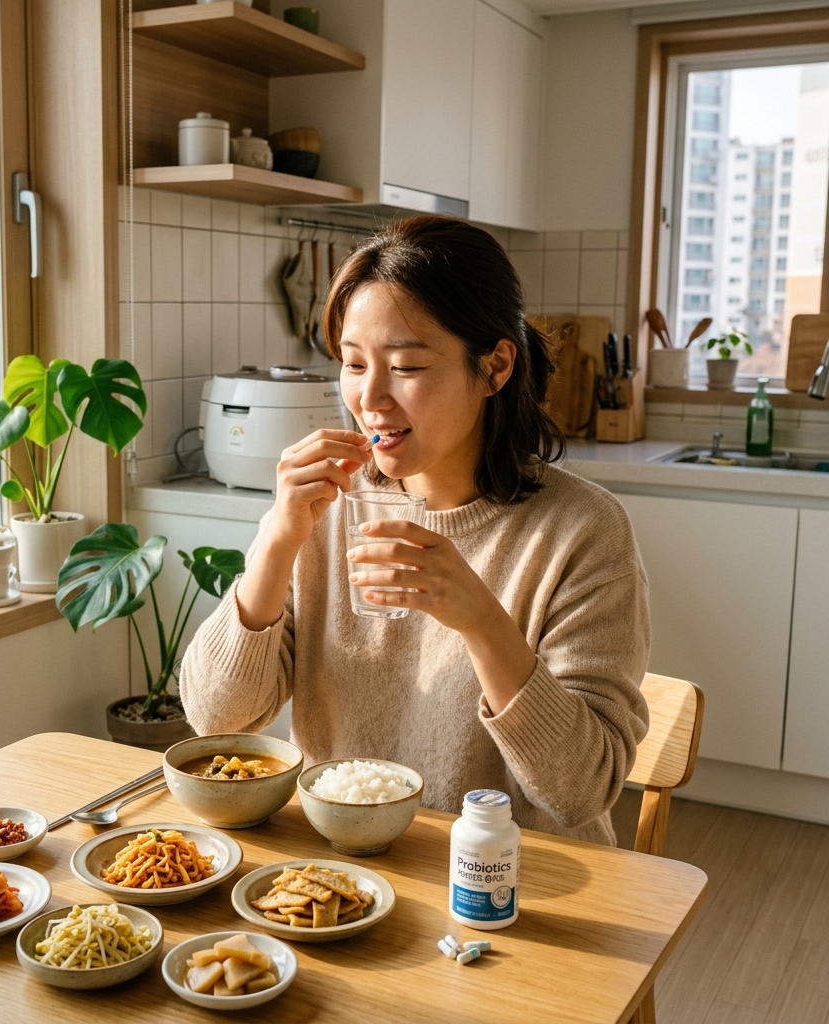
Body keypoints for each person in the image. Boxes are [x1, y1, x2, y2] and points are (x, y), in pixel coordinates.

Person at [180, 214, 649, 846]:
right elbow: (215, 720)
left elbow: (581, 791)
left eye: (405, 366)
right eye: (351, 363)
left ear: (495, 366)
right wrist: (276, 541)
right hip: (343, 877)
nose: (369, 398)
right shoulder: (329, 506)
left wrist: (482, 619)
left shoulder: (582, 531)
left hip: (510, 890)